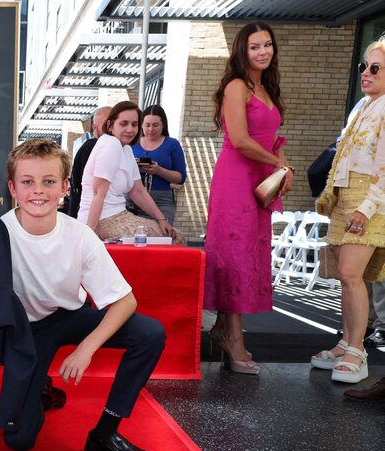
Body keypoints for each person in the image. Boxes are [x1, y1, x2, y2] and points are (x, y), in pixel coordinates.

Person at [0, 139, 166, 451]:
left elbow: (126, 301)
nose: (38, 191)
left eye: (49, 181)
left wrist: (87, 348)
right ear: (12, 187)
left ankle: (105, 434)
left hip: (70, 317)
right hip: (29, 333)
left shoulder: (79, 235)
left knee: (149, 333)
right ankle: (40, 390)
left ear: (65, 187)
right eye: (27, 182)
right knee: (19, 441)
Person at [205, 22, 293, 375]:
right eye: (255, 46)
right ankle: (234, 340)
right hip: (236, 179)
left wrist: (279, 164)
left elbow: (269, 138)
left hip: (260, 178)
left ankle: (224, 330)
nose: (262, 52)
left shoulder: (266, 86)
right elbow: (240, 139)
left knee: (246, 253)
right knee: (234, 255)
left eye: (267, 45)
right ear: (242, 51)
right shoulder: (236, 86)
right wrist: (279, 163)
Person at [311, 40, 385, 384]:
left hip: (369, 203)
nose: (366, 74)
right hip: (345, 200)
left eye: (375, 68)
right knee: (344, 277)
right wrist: (331, 196)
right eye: (364, 67)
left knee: (351, 274)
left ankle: (357, 350)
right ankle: (346, 340)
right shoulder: (363, 106)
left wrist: (367, 208)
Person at [78, 101, 178, 241]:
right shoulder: (111, 144)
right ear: (110, 126)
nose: (130, 129)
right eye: (124, 124)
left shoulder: (126, 149)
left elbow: (138, 191)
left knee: (173, 236)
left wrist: (161, 219)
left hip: (119, 215)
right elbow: (97, 193)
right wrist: (89, 235)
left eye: (134, 124)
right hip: (102, 219)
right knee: (173, 240)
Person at [131, 104, 187, 225]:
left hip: (162, 201)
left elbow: (181, 178)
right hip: (133, 200)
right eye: (147, 125)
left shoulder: (172, 144)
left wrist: (159, 171)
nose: (151, 129)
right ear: (141, 125)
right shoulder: (132, 143)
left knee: (163, 238)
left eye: (155, 125)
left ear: (163, 125)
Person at [65, 105, 110, 218]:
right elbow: (91, 189)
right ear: (94, 126)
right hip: (91, 215)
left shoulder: (97, 146)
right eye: (106, 124)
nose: (111, 128)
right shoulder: (93, 147)